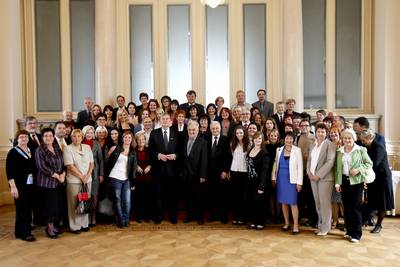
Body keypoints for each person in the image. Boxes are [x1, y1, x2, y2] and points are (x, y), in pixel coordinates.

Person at [335, 129, 373, 243]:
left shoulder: (360, 150)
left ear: (354, 139)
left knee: (355, 208)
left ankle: (356, 234)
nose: (347, 140)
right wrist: (338, 183)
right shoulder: (340, 151)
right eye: (345, 138)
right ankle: (349, 231)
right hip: (344, 182)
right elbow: (337, 169)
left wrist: (358, 169)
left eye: (349, 138)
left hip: (357, 182)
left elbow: (369, 163)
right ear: (342, 139)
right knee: (346, 208)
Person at [359, 129, 394, 233]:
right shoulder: (367, 146)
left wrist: (363, 175)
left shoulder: (379, 147)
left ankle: (379, 225)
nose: (362, 142)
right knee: (370, 201)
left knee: (381, 203)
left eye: (364, 139)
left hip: (382, 178)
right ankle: (361, 222)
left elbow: (374, 164)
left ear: (370, 138)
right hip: (373, 178)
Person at [148, 113, 180, 224]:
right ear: (160, 121)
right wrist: (158, 155)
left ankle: (173, 217)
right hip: (158, 169)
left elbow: (181, 150)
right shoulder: (154, 133)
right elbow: (150, 150)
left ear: (171, 122)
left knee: (173, 195)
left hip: (173, 170)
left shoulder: (176, 133)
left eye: (167, 119)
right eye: (163, 119)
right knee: (158, 195)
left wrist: (175, 155)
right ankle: (159, 216)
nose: (165, 121)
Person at [306, 123, 336, 236]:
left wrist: (318, 175)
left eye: (323, 131)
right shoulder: (312, 145)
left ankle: (326, 228)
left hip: (325, 179)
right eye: (318, 131)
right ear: (316, 132)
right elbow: (309, 160)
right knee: (318, 203)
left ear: (326, 133)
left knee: (325, 203)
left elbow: (330, 162)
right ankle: (320, 225)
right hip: (312, 178)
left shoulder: (330, 144)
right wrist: (308, 172)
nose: (320, 133)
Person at [6, 130, 36, 242]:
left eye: (25, 137)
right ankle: (25, 233)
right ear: (17, 139)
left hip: (30, 184)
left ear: (28, 139)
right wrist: (13, 187)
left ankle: (19, 231)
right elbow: (9, 172)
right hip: (19, 186)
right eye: (21, 137)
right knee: (22, 209)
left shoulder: (30, 150)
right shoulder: (12, 152)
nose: (24, 139)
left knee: (28, 208)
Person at [35, 128, 65, 238]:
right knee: (49, 207)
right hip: (46, 183)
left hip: (59, 183)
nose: (48, 138)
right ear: (42, 138)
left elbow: (63, 163)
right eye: (46, 136)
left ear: (53, 137)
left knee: (56, 206)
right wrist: (57, 176)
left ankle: (55, 225)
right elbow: (42, 167)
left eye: (50, 135)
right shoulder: (40, 150)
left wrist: (63, 174)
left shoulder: (57, 148)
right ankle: (49, 228)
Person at [63, 129, 94, 234]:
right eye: (74, 136)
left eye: (79, 136)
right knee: (74, 204)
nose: (76, 138)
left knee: (85, 202)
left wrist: (88, 175)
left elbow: (92, 163)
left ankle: (84, 224)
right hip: (74, 181)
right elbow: (70, 166)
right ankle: (75, 226)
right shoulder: (67, 149)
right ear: (71, 138)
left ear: (82, 137)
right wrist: (81, 177)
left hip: (87, 180)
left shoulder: (87, 147)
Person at [272, 132, 303, 234]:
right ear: (284, 139)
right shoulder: (279, 150)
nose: (289, 140)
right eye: (287, 138)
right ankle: (286, 223)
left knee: (293, 203)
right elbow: (275, 165)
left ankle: (296, 225)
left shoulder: (297, 150)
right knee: (283, 202)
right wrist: (274, 178)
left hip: (292, 181)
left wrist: (299, 183)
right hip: (281, 179)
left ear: (293, 140)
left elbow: (300, 167)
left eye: (291, 139)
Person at [107, 131, 137, 228]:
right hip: (115, 177)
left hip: (126, 179)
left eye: (129, 137)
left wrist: (133, 182)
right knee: (117, 200)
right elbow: (108, 162)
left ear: (131, 139)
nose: (127, 139)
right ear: (122, 138)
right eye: (125, 137)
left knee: (127, 201)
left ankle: (126, 219)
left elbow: (133, 168)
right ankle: (121, 221)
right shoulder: (116, 149)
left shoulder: (133, 151)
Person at [182, 121, 208, 224]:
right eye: (190, 130)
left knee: (199, 197)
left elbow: (204, 160)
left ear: (198, 130)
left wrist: (203, 175)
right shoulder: (185, 140)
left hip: (198, 175)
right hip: (186, 175)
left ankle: (199, 218)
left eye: (194, 130)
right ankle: (190, 216)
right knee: (188, 197)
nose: (191, 131)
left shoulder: (203, 142)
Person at [207, 121, 231, 223]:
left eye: (217, 128)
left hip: (222, 173)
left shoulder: (225, 140)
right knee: (211, 195)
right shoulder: (206, 139)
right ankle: (213, 215)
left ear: (220, 129)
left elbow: (228, 157)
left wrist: (225, 171)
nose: (215, 130)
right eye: (213, 128)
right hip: (209, 172)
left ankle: (223, 217)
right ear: (210, 129)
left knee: (223, 196)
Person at [246, 131, 270, 230]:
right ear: (253, 139)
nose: (257, 140)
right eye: (256, 138)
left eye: (260, 138)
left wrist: (262, 185)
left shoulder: (264, 153)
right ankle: (254, 221)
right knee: (252, 202)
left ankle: (261, 222)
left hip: (259, 181)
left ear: (262, 140)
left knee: (259, 202)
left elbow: (265, 171)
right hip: (250, 181)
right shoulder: (250, 150)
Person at [82, 125, 104, 227]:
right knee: (85, 195)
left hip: (95, 172)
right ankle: (85, 217)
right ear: (84, 133)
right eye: (87, 133)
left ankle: (93, 216)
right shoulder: (80, 143)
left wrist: (101, 174)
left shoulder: (96, 143)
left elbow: (101, 160)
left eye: (91, 133)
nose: (89, 134)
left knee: (95, 195)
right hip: (83, 172)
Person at [23, 116, 44, 227]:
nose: (33, 125)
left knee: (38, 197)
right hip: (28, 174)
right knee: (28, 199)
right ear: (25, 125)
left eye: (35, 123)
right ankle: (27, 222)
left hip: (41, 173)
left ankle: (38, 219)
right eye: (30, 123)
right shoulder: (22, 138)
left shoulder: (40, 137)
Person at [297, 119, 317, 227]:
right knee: (303, 196)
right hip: (300, 170)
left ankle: (315, 219)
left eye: (306, 125)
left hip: (310, 171)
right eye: (302, 125)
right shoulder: (298, 137)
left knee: (312, 197)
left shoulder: (314, 138)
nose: (304, 127)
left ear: (309, 127)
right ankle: (308, 217)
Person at [230, 125, 250, 225]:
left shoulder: (249, 145)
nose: (239, 135)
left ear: (244, 133)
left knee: (243, 196)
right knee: (235, 196)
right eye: (237, 133)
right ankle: (236, 217)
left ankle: (242, 217)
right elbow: (232, 157)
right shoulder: (232, 144)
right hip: (234, 171)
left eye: (241, 133)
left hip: (244, 172)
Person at [135, 133, 155, 222]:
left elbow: (153, 161)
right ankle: (140, 217)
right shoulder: (133, 151)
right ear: (136, 141)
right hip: (138, 178)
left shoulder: (149, 150)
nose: (141, 141)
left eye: (143, 139)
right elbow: (130, 162)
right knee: (139, 198)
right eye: (139, 140)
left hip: (149, 177)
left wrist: (150, 166)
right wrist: (136, 166)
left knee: (149, 198)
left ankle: (149, 216)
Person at [328, 126, 344, 229]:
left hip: (342, 176)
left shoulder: (343, 145)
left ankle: (346, 221)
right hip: (331, 175)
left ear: (339, 134)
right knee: (333, 200)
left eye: (335, 133)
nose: (333, 135)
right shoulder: (329, 145)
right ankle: (335, 220)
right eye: (332, 133)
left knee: (343, 201)